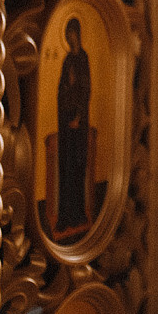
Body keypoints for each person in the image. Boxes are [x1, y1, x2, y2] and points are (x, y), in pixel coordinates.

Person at [55, 16, 92, 235]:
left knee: (77, 168)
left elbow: (86, 91)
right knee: (65, 168)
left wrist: (78, 117)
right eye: (67, 35)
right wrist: (66, 88)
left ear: (78, 34)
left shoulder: (83, 59)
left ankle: (77, 215)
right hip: (65, 122)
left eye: (72, 34)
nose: (70, 38)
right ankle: (64, 217)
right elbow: (61, 90)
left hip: (79, 123)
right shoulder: (67, 60)